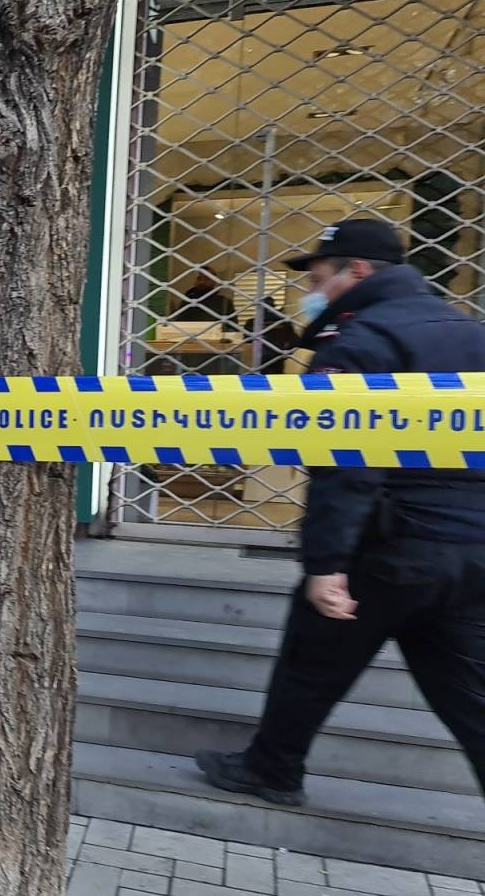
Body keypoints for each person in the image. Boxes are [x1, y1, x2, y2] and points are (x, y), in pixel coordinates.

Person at [195, 219, 485, 805]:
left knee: (312, 657)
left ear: (357, 271)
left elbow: (345, 462)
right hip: (472, 551)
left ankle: (271, 769)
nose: (313, 292)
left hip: (390, 546)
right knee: (471, 696)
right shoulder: (470, 332)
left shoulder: (360, 342)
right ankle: (269, 765)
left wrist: (326, 563)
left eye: (319, 278)